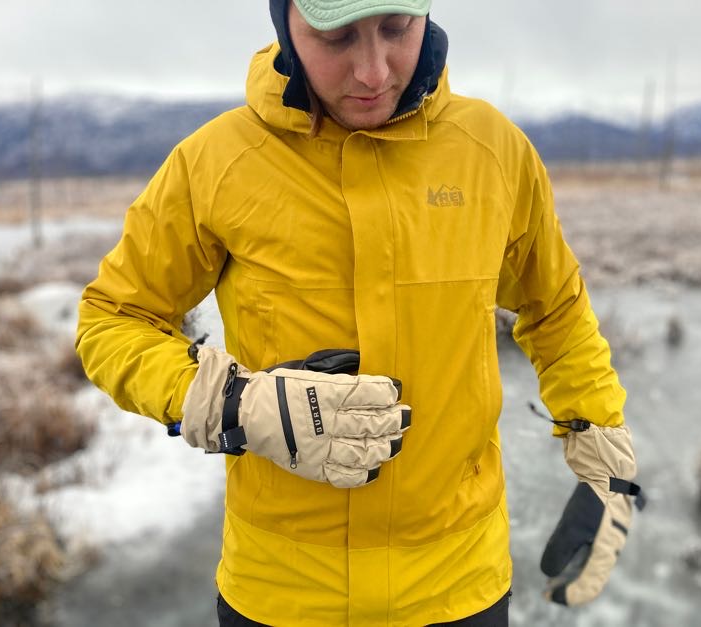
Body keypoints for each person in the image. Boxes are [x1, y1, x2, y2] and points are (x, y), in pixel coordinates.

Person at [76, 1, 645, 625]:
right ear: (284, 25)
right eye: (337, 36)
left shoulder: (493, 153)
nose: (374, 72)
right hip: (282, 595)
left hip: (459, 590)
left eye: (396, 29)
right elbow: (111, 319)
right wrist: (234, 403)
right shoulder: (216, 163)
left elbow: (555, 308)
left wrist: (604, 459)